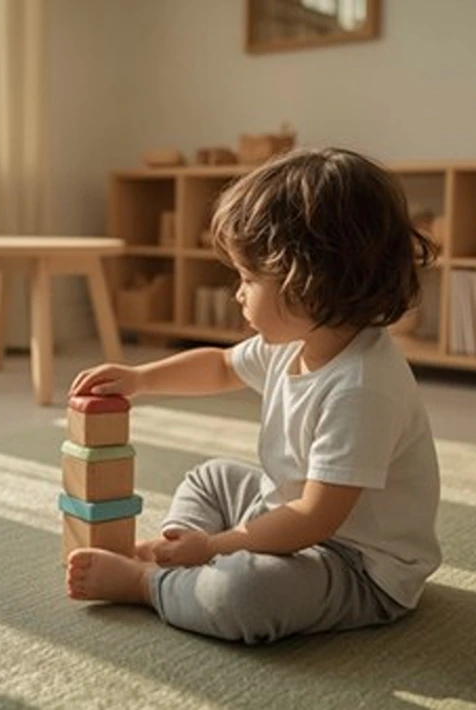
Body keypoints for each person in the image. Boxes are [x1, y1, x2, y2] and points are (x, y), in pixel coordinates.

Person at [66, 147, 441, 644]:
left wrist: (215, 546)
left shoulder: (362, 388)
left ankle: (149, 582)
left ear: (307, 282)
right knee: (210, 477)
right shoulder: (299, 341)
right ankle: (172, 552)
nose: (237, 293)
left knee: (244, 594)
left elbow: (314, 519)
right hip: (285, 517)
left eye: (247, 278)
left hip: (357, 565)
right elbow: (220, 366)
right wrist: (140, 379)